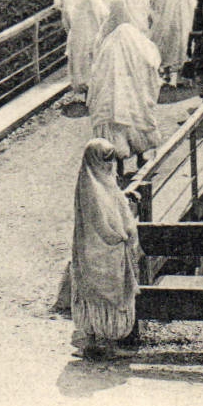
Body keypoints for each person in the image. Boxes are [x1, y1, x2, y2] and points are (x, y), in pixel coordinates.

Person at [68, 139, 141, 360]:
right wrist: (121, 236)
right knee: (111, 294)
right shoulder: (94, 188)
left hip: (88, 249)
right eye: (106, 160)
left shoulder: (90, 181)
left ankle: (90, 341)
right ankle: (108, 344)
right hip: (105, 248)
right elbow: (102, 221)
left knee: (90, 292)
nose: (110, 164)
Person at [88, 20, 163, 167]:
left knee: (117, 126)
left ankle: (120, 166)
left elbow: (97, 69)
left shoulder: (107, 42)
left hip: (113, 94)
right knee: (137, 120)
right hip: (133, 91)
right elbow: (150, 60)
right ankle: (140, 157)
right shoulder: (134, 38)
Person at [148, 0, 196, 87]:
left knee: (167, 47)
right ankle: (178, 76)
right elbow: (192, 5)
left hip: (166, 24)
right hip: (182, 24)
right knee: (180, 47)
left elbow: (152, 2)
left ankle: (167, 73)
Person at [67, 0, 109, 95]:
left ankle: (85, 88)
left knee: (82, 63)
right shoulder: (96, 7)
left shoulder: (77, 9)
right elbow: (105, 16)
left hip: (80, 41)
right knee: (92, 62)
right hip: (92, 38)